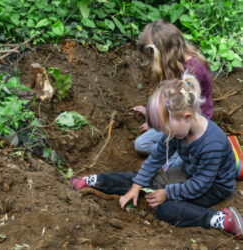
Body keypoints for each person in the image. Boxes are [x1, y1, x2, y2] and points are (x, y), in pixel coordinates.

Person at [70, 73, 243, 239]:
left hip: (213, 187)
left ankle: (218, 219)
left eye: (167, 129)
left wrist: (167, 193)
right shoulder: (177, 131)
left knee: (165, 209)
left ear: (187, 117)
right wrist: (136, 187)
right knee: (145, 180)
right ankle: (95, 181)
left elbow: (200, 184)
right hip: (190, 173)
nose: (166, 134)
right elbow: (155, 158)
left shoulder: (212, 144)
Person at [133, 19, 213, 170]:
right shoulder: (178, 62)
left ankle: (185, 154)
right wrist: (152, 116)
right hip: (175, 119)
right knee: (141, 144)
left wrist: (157, 120)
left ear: (163, 55)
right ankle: (174, 153)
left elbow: (181, 110)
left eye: (152, 59)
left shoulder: (192, 73)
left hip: (192, 124)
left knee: (168, 168)